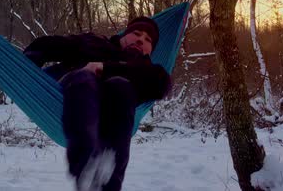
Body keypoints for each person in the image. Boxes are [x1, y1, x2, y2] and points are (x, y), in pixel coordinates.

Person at [23, 17, 172, 191]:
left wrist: (104, 68)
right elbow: (53, 44)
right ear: (123, 36)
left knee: (120, 86)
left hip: (114, 113)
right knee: (85, 78)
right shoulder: (95, 44)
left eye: (148, 40)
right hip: (75, 94)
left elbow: (162, 83)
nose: (141, 40)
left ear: (150, 50)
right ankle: (87, 162)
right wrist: (27, 64)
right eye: (136, 34)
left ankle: (107, 179)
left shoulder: (148, 70)